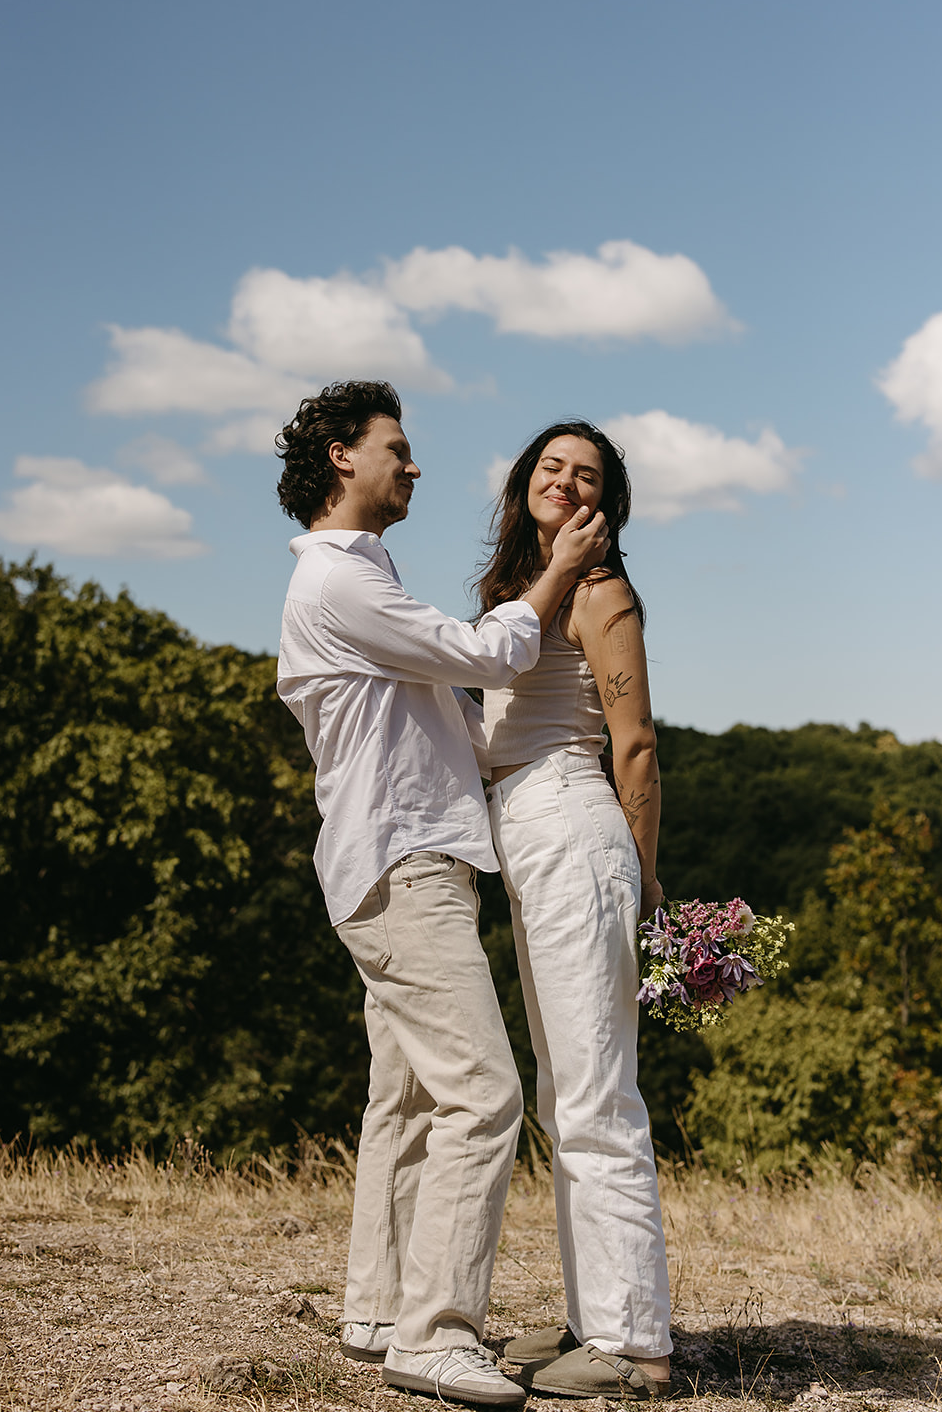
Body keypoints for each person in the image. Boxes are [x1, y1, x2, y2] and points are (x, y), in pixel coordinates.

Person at [274, 383, 608, 1408]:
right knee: (485, 1093)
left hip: (406, 859)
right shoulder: (338, 584)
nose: (413, 465)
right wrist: (555, 574)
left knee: (411, 1094)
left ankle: (378, 1309)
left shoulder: (365, 582)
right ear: (341, 457)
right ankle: (437, 1331)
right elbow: (483, 652)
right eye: (398, 448)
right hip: (401, 865)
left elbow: (452, 721)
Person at [476, 421, 673, 1401]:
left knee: (595, 1091)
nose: (564, 479)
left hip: (572, 823)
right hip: (526, 831)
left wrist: (643, 881)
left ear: (603, 506)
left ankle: (634, 1344)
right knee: (565, 1095)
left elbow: (633, 744)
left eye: (585, 474)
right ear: (525, 485)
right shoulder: (526, 595)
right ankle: (593, 1319)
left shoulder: (597, 593)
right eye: (550, 465)